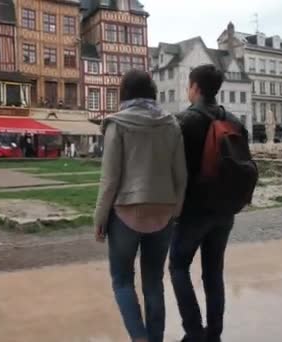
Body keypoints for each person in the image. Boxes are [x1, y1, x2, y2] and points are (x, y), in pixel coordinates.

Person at [94, 69, 187, 342]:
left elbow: (109, 179)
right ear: (153, 93)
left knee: (122, 280)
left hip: (125, 212)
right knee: (153, 283)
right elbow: (181, 175)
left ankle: (139, 338)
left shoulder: (117, 124)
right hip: (163, 212)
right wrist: (176, 211)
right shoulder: (171, 124)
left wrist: (99, 218)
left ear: (124, 93)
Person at [171, 65, 254, 342]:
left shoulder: (183, 121)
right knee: (213, 272)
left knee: (178, 266)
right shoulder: (233, 121)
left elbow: (173, 169)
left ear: (194, 87)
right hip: (225, 208)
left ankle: (194, 333)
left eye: (188, 86)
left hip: (195, 210)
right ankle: (214, 334)